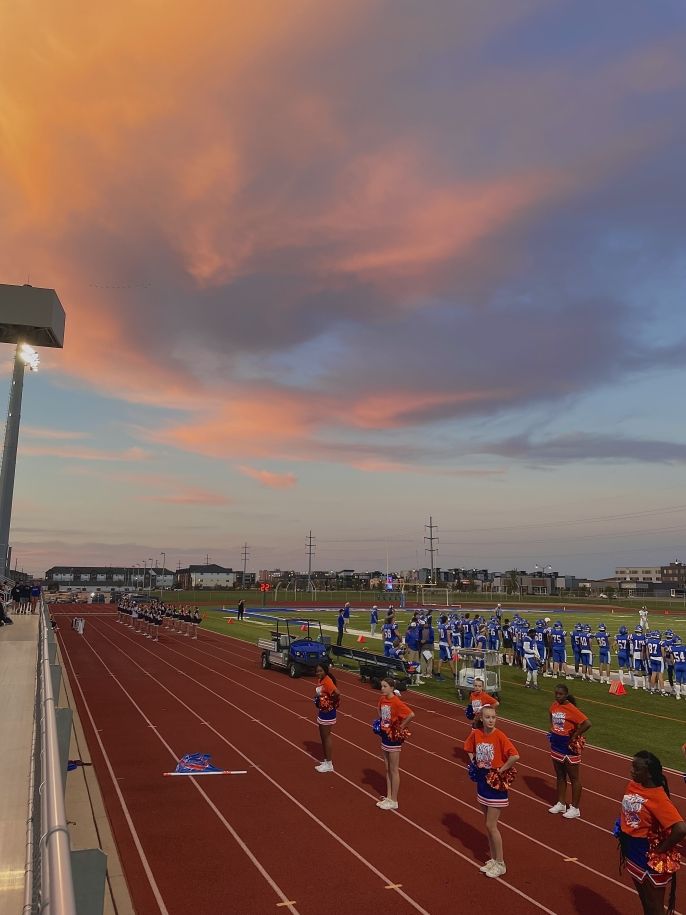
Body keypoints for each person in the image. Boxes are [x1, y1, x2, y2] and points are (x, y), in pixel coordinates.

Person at [617, 750, 685, 915]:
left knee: (655, 907)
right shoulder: (632, 785)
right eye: (632, 766)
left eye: (637, 768)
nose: (632, 771)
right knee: (645, 901)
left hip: (647, 854)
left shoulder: (658, 797)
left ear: (648, 774)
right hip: (631, 850)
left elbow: (681, 828)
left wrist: (660, 850)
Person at [464, 705, 519, 879]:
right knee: (487, 824)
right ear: (481, 718)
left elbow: (515, 755)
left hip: (495, 785)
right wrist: (474, 763)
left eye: (493, 717)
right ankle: (494, 859)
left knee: (491, 825)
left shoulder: (499, 735)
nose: (491, 720)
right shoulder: (476, 734)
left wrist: (501, 770)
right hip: (482, 782)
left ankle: (501, 863)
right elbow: (468, 748)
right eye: (487, 717)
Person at [548, 684, 591, 819]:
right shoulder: (554, 706)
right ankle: (561, 803)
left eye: (560, 694)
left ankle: (575, 808)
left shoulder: (572, 709)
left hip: (568, 746)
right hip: (556, 744)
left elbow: (587, 723)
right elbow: (551, 716)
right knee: (560, 775)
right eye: (556, 693)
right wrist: (554, 729)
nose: (557, 696)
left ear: (566, 695)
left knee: (574, 778)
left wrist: (574, 735)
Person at [374, 678, 414, 810]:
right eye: (381, 686)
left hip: (393, 738)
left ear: (392, 688)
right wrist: (382, 722)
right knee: (387, 768)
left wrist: (401, 727)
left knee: (393, 769)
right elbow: (379, 710)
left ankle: (394, 800)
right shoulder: (382, 699)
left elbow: (411, 714)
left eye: (385, 686)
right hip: (384, 736)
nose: (382, 689)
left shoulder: (396, 701)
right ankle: (389, 796)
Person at [314, 662, 340, 773]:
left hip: (328, 712)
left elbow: (337, 693)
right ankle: (326, 760)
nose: (318, 673)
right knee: (322, 736)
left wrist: (329, 702)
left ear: (325, 671)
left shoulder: (328, 681)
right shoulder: (321, 680)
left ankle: (329, 764)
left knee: (326, 737)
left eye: (321, 671)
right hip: (322, 711)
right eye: (317, 671)